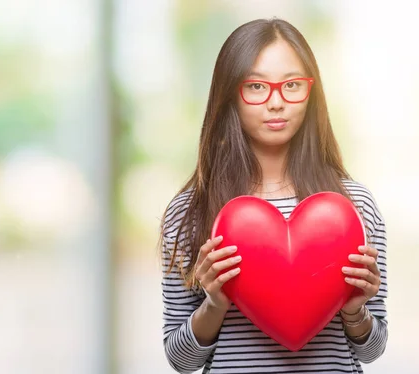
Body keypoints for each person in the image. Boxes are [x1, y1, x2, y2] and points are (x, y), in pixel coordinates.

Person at [159, 18, 388, 374]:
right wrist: (214, 304)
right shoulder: (190, 211)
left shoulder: (354, 206)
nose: (277, 102)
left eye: (292, 85)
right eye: (256, 87)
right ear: (231, 93)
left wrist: (354, 309)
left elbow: (373, 350)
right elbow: (181, 361)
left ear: (312, 93)